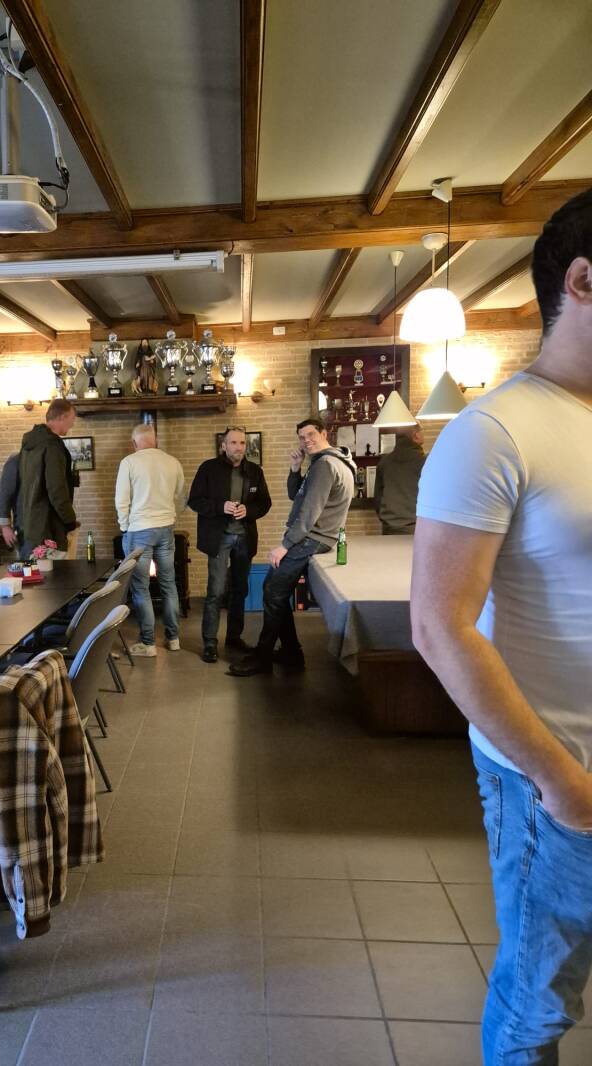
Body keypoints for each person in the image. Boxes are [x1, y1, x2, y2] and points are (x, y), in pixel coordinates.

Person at [411, 187, 592, 1064]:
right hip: (556, 777)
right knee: (538, 1005)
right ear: (583, 281)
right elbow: (438, 627)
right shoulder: (492, 430)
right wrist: (564, 785)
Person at [230, 417, 355, 676]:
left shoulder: (325, 465)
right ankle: (290, 652)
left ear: (324, 433)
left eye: (311, 434)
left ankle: (264, 657)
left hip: (311, 538)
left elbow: (309, 513)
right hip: (320, 537)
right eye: (301, 437)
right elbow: (295, 495)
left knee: (272, 590)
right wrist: (295, 469)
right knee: (275, 591)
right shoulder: (333, 461)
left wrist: (285, 545)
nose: (306, 440)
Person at [188, 426, 272, 663]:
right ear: (223, 446)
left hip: (245, 538)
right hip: (219, 538)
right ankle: (210, 642)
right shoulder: (208, 469)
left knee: (240, 590)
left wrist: (248, 510)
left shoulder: (254, 471)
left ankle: (234, 637)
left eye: (242, 443)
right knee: (215, 592)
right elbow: (194, 501)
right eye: (233, 443)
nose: (238, 447)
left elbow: (264, 503)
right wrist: (220, 506)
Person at [115, 422, 186, 657]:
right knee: (169, 584)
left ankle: (148, 643)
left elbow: (121, 499)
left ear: (134, 443)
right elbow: (181, 497)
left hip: (139, 530)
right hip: (166, 528)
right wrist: (171, 516)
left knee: (140, 588)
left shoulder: (129, 462)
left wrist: (125, 527)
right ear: (155, 440)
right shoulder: (172, 462)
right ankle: (173, 639)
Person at [18, 398, 79, 561]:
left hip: (32, 525)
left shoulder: (30, 445)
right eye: (72, 419)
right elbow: (56, 489)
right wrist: (70, 521)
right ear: (62, 417)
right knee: (58, 575)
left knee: (40, 575)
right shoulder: (52, 446)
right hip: (50, 527)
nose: (72, 424)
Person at [373, 424, 425, 534]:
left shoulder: (385, 462)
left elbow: (378, 497)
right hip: (416, 528)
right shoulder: (425, 462)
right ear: (415, 435)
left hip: (389, 528)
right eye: (422, 431)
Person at [0, 451, 21, 553]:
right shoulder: (16, 461)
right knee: (29, 560)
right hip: (24, 526)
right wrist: (5, 526)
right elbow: (4, 495)